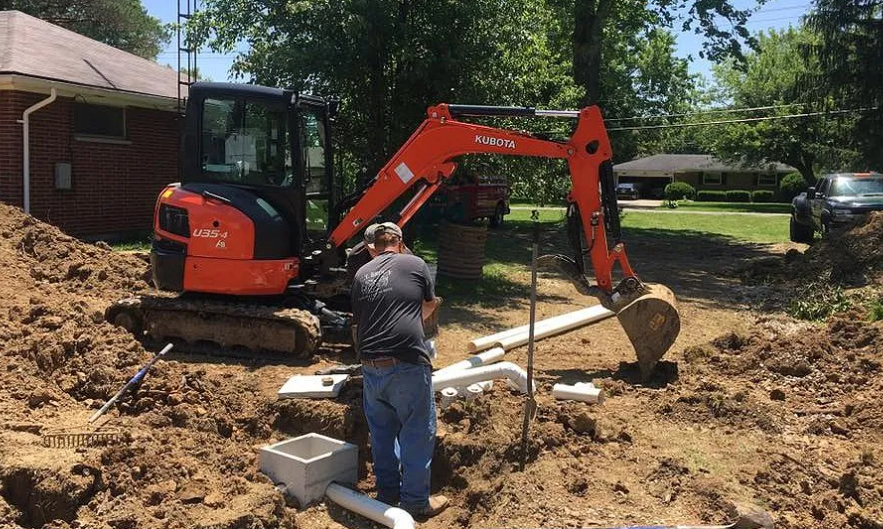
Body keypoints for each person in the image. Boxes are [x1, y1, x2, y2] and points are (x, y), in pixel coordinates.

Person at [351, 222, 448, 518]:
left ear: (371, 249)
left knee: (382, 434)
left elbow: (361, 319)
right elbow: (429, 304)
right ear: (401, 244)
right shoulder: (415, 264)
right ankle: (416, 502)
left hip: (370, 367)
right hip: (406, 363)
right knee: (417, 432)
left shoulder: (360, 274)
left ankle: (387, 494)